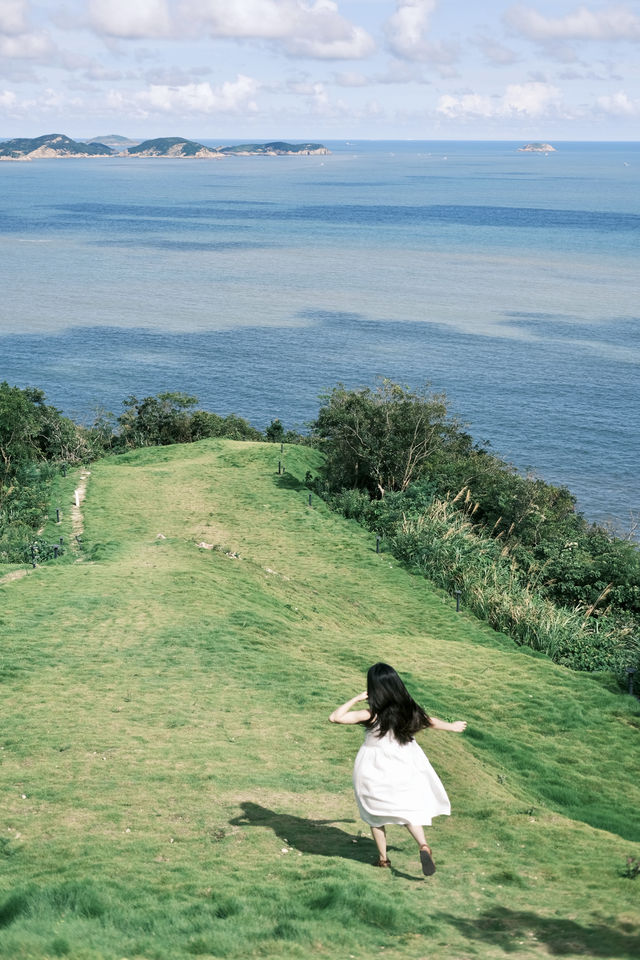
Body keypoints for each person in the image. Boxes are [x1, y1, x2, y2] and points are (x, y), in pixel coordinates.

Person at [329, 662, 466, 875]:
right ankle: (423, 845)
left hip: (372, 766)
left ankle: (383, 860)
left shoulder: (371, 714)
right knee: (407, 811)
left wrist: (356, 698)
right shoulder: (407, 711)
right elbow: (430, 722)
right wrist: (453, 726)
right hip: (403, 764)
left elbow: (335, 717)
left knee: (373, 814)